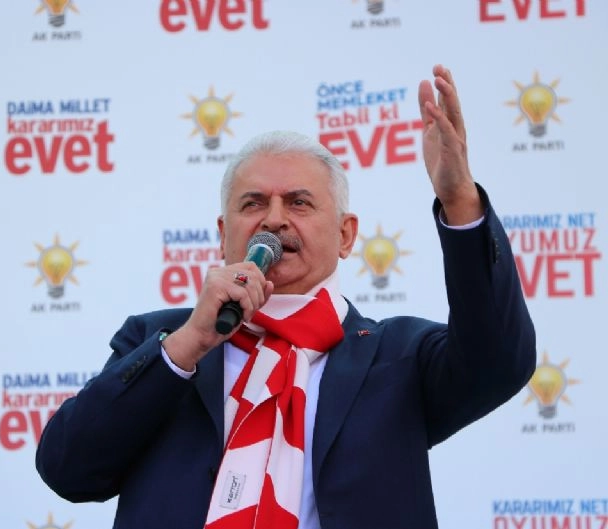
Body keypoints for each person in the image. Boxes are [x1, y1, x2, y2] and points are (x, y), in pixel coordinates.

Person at [35, 65, 536, 529]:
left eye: (299, 202)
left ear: (345, 235)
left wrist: (460, 201)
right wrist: (189, 344)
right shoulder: (159, 342)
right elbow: (67, 468)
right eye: (254, 203)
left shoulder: (399, 357)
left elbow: (499, 363)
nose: (274, 220)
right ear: (223, 234)